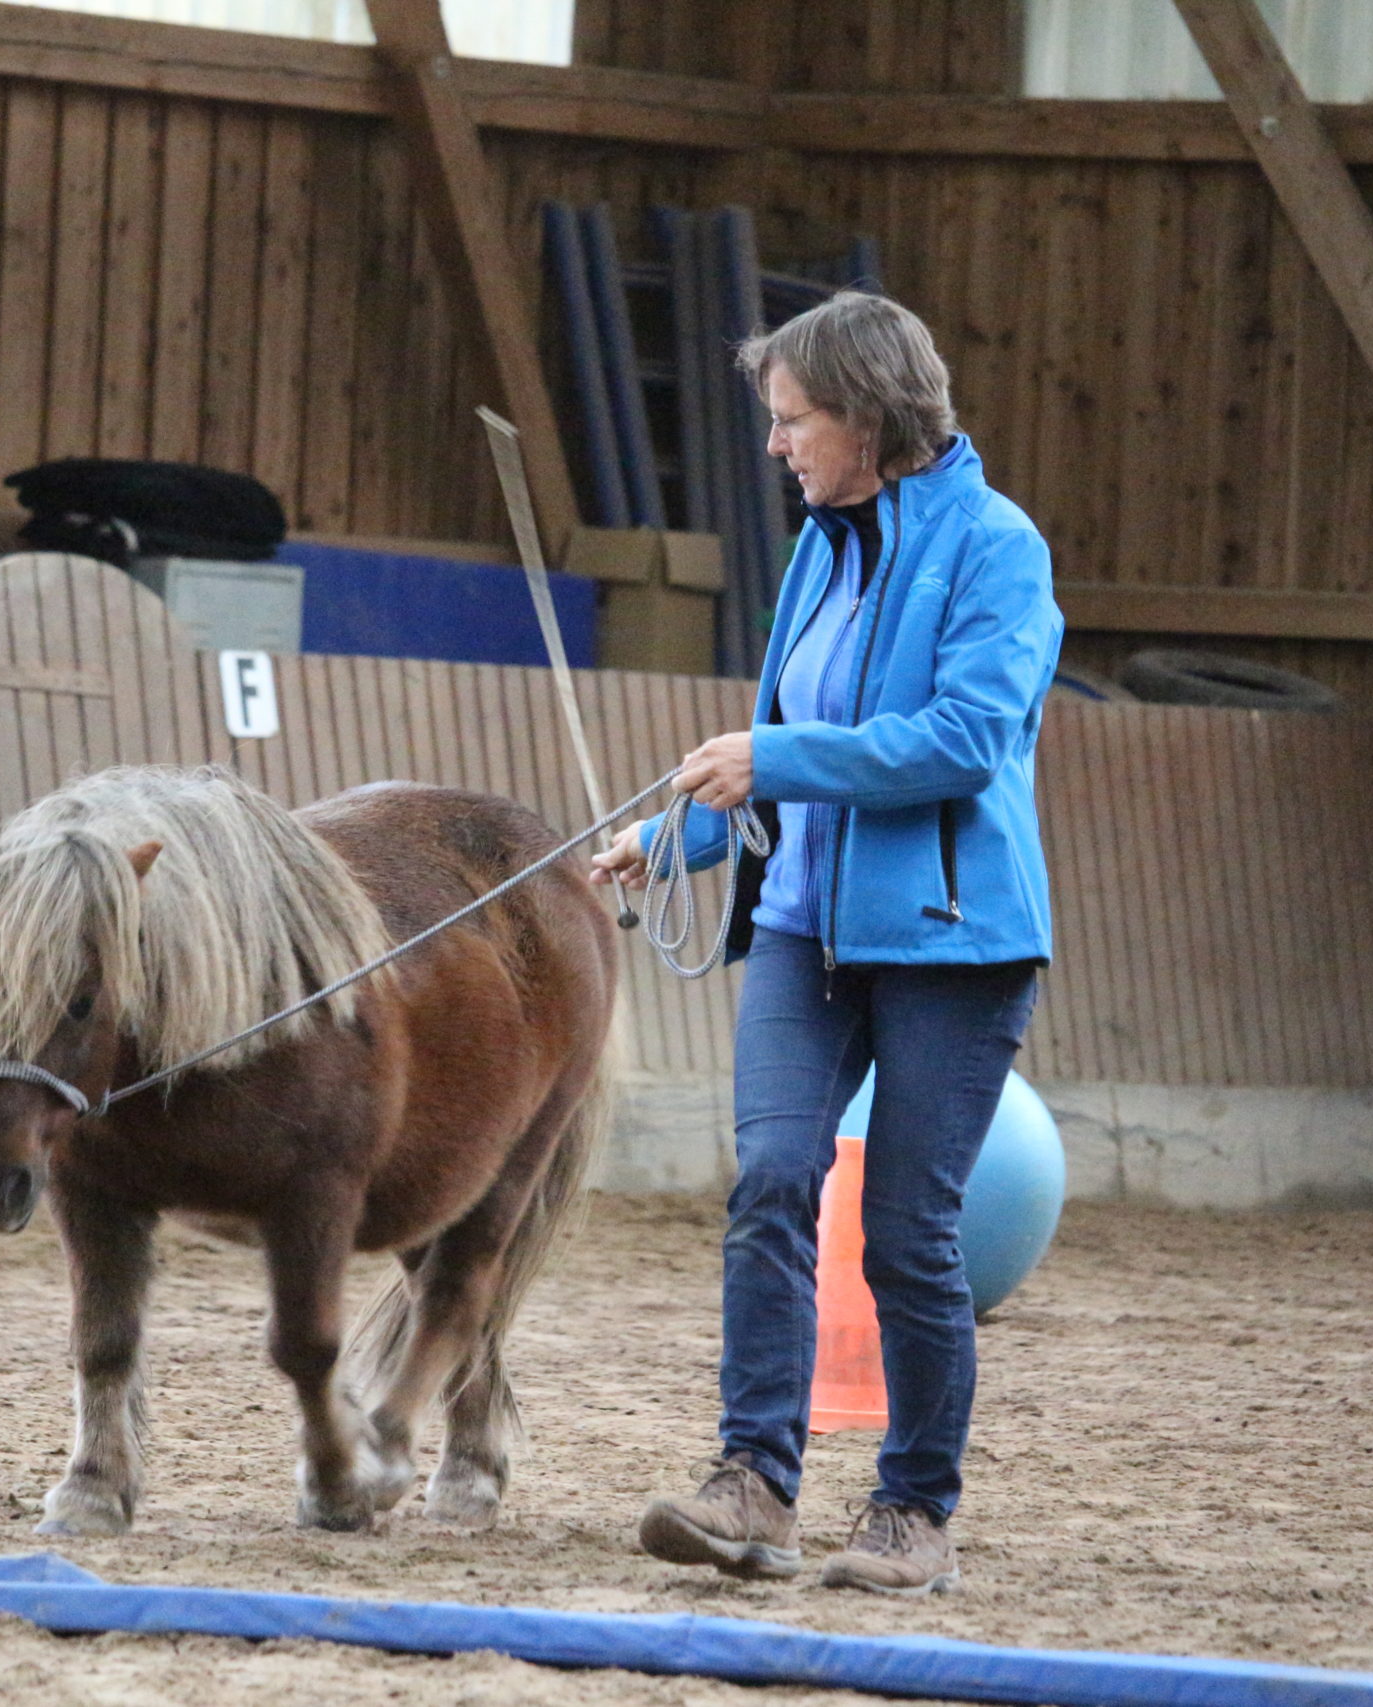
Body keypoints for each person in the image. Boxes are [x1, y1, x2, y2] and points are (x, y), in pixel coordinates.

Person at [590, 290, 1061, 1596]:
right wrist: (674, 839)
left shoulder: (998, 548)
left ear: (867, 415)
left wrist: (774, 758)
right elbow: (789, 759)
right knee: (771, 1181)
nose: (776, 444)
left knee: (908, 1234)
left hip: (955, 944)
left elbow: (965, 740)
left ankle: (913, 1513)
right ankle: (754, 1482)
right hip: (803, 928)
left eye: (794, 419)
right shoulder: (820, 549)